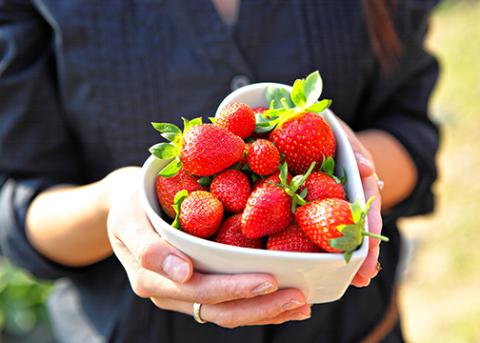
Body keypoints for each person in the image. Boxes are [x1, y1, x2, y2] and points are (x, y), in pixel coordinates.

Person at [0, 0, 439, 342]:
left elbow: (410, 132)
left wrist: (348, 163)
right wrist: (115, 201)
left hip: (356, 330)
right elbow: (20, 206)